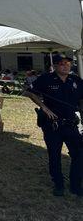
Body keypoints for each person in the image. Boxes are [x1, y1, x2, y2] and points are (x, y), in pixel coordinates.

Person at [24, 54, 83, 196]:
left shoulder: (76, 80)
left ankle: (75, 185)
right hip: (53, 126)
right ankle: (58, 184)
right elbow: (29, 92)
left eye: (68, 63)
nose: (66, 66)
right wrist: (44, 108)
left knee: (79, 155)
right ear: (55, 66)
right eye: (62, 63)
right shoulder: (46, 79)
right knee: (55, 156)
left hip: (71, 124)